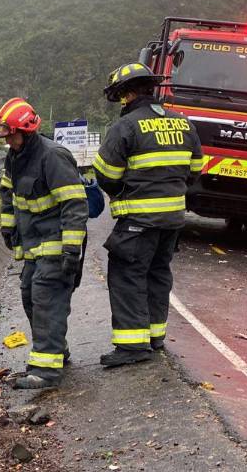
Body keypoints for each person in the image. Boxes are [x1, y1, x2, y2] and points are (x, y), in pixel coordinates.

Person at [93, 63, 204, 368]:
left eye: (120, 96)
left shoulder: (126, 127)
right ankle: (154, 337)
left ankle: (132, 346)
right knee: (157, 274)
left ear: (127, 94)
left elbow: (107, 176)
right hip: (172, 221)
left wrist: (127, 189)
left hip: (138, 220)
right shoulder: (184, 124)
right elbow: (195, 171)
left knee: (127, 277)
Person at [0, 98, 88, 389]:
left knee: (46, 300)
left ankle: (46, 370)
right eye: (5, 135)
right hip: (34, 246)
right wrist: (8, 229)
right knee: (28, 296)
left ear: (27, 130)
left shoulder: (53, 157)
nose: (8, 140)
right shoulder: (15, 157)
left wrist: (71, 249)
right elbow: (8, 195)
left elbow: (74, 204)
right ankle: (56, 350)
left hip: (57, 244)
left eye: (11, 134)